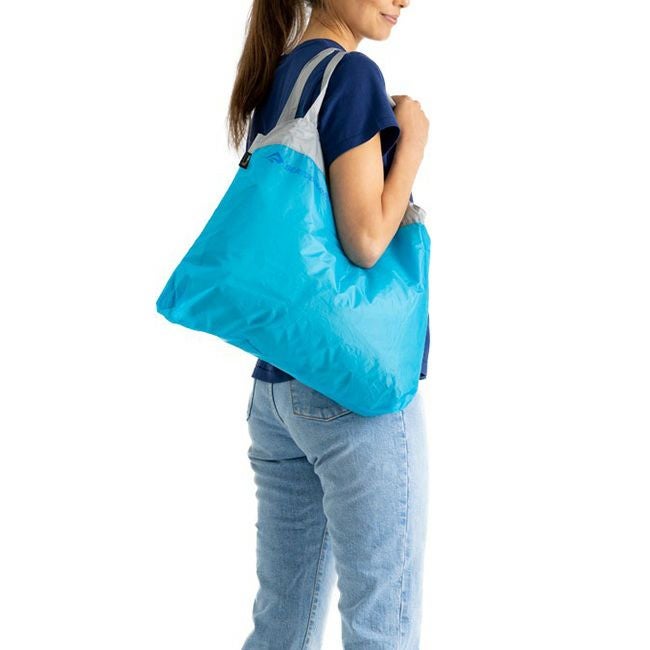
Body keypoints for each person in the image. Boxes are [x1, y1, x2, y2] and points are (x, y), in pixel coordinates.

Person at [227, 1, 430, 647]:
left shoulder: (281, 73)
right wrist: (413, 140)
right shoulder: (350, 75)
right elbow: (366, 240)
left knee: (282, 624)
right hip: (351, 386)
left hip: (277, 389)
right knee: (380, 625)